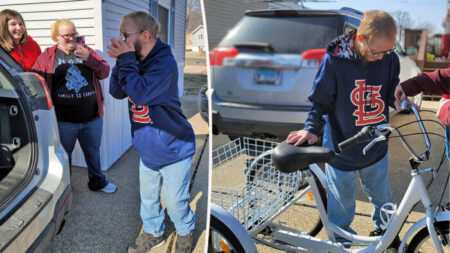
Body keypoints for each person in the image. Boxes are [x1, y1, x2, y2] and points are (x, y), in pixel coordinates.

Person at [286, 10, 401, 251]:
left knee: (383, 200)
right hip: (341, 147)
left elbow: (390, 90)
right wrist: (311, 128)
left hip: (376, 145)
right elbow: (320, 100)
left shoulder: (389, 59)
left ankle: (387, 237)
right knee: (341, 205)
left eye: (388, 51)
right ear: (361, 39)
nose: (382, 57)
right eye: (377, 51)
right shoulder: (335, 60)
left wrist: (399, 99)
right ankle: (341, 243)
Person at [107, 11, 196, 253]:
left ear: (145, 35)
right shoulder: (132, 60)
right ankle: (153, 232)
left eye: (125, 35)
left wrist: (126, 60)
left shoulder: (164, 63)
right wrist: (120, 62)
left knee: (176, 203)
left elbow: (142, 93)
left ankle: (186, 230)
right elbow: (117, 92)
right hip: (148, 150)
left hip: (175, 148)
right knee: (148, 200)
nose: (121, 39)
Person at [31, 19, 116, 193]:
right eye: (67, 35)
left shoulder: (86, 51)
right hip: (63, 121)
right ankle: (66, 188)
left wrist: (90, 59)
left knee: (93, 152)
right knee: (63, 156)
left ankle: (97, 182)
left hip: (92, 118)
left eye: (74, 33)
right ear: (57, 36)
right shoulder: (48, 56)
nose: (72, 38)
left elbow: (105, 72)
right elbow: (36, 80)